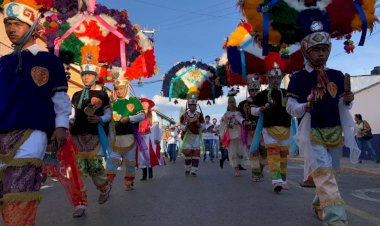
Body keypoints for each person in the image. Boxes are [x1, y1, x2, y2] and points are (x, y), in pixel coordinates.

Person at [0, 1, 71, 224]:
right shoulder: (2, 63)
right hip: (1, 133)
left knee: (19, 190)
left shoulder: (49, 61)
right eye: (8, 24)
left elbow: (60, 99)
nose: (11, 29)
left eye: (18, 24)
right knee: (5, 191)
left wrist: (61, 126)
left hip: (32, 134)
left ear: (31, 27)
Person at [286, 11, 355, 225]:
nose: (321, 54)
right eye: (316, 50)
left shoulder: (336, 75)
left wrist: (348, 99)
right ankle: (336, 219)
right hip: (312, 131)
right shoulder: (298, 78)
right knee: (324, 174)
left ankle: (318, 203)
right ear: (306, 50)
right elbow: (290, 107)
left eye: (325, 49)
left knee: (332, 174)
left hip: (335, 131)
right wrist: (305, 105)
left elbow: (344, 104)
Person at [69, 45, 112, 217]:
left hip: (94, 134)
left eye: (90, 75)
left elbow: (109, 113)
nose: (86, 77)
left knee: (94, 166)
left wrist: (100, 119)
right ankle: (80, 204)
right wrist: (69, 122)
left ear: (95, 77)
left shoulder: (102, 94)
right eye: (84, 75)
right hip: (78, 134)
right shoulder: (76, 94)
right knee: (79, 170)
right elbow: (72, 112)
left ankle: (105, 188)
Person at [250, 59, 292, 192]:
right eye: (273, 77)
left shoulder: (287, 93)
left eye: (278, 77)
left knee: (283, 154)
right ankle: (276, 180)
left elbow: (295, 108)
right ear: (268, 78)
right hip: (269, 128)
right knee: (273, 153)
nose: (276, 80)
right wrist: (261, 109)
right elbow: (252, 110)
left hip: (286, 127)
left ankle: (283, 179)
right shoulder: (262, 95)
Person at [106, 76, 146, 190]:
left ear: (126, 88)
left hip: (130, 136)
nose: (119, 91)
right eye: (117, 89)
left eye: (121, 88)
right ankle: (108, 184)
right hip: (115, 137)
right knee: (112, 160)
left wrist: (129, 118)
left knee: (129, 161)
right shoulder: (112, 103)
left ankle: (129, 182)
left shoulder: (134, 101)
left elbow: (142, 115)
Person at [238, 75, 267, 181]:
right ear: (248, 90)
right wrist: (243, 121)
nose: (254, 92)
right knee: (254, 152)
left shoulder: (265, 101)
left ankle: (259, 170)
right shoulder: (242, 104)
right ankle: (255, 174)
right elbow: (238, 115)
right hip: (250, 131)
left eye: (256, 89)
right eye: (252, 90)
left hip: (264, 132)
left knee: (265, 154)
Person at [220, 90, 248, 177]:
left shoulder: (239, 113)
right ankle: (236, 169)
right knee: (232, 152)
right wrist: (227, 126)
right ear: (228, 104)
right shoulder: (226, 114)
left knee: (240, 151)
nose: (232, 104)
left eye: (233, 102)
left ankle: (239, 166)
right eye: (230, 102)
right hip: (230, 137)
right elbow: (222, 125)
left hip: (239, 135)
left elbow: (242, 121)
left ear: (235, 103)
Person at [179, 88, 205, 176]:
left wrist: (199, 125)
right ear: (188, 106)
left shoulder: (199, 114)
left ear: (196, 105)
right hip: (187, 137)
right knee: (187, 154)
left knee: (196, 154)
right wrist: (186, 125)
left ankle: (193, 170)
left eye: (194, 105)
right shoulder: (184, 115)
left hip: (196, 137)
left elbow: (204, 126)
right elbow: (181, 127)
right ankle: (187, 168)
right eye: (191, 105)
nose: (192, 107)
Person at [138, 98, 162, 180]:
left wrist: (156, 137)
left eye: (145, 103)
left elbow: (156, 124)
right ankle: (144, 175)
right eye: (142, 103)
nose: (144, 104)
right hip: (140, 136)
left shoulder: (152, 113)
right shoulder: (138, 113)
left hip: (149, 136)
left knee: (148, 154)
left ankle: (150, 171)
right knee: (141, 155)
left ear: (148, 105)